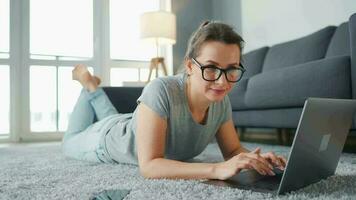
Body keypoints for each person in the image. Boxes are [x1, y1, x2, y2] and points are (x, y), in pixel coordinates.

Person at [62, 21, 287, 180]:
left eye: (231, 70)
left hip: (127, 123)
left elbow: (232, 150)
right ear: (190, 66)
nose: (222, 82)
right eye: (211, 68)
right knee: (68, 142)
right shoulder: (160, 90)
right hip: (103, 140)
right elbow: (149, 166)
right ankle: (88, 85)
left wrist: (253, 159)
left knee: (114, 118)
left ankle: (93, 87)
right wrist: (216, 169)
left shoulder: (220, 101)